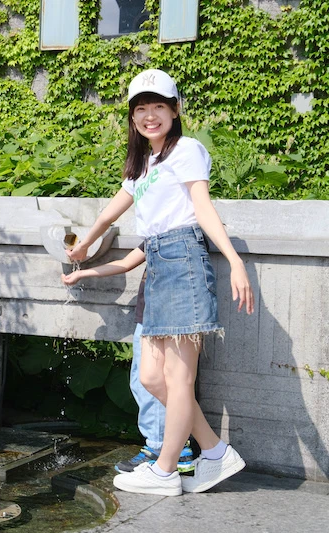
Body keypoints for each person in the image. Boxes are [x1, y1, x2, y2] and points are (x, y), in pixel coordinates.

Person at [66, 68, 254, 497]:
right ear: (133, 118)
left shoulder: (186, 149)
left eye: (158, 107)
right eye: (141, 109)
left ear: (174, 110)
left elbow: (202, 207)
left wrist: (235, 260)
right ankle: (214, 451)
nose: (150, 116)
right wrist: (85, 247)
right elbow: (110, 212)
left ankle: (166, 470)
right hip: (158, 263)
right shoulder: (144, 163)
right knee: (152, 378)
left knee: (176, 376)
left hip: (184, 258)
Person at [61, 248, 195, 475]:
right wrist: (82, 274)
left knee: (156, 382)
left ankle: (162, 448)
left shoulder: (178, 233)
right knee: (142, 381)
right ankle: (173, 449)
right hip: (149, 313)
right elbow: (124, 263)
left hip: (164, 314)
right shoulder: (155, 233)